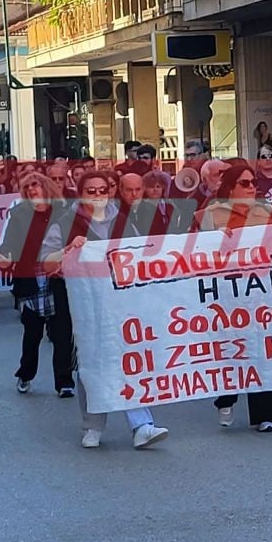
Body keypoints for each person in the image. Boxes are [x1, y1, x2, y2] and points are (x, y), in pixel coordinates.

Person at [42, 171, 169, 449]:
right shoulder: (65, 222)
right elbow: (46, 263)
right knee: (91, 363)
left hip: (119, 303)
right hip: (81, 306)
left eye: (102, 190)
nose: (98, 195)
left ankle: (141, 424)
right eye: (92, 190)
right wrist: (68, 250)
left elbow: (138, 255)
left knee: (128, 359)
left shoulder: (122, 221)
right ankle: (93, 425)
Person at [198, 165, 272, 432]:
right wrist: (212, 239)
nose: (251, 187)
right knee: (233, 349)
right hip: (228, 292)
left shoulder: (268, 212)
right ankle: (226, 397)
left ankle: (265, 415)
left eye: (253, 183)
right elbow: (197, 249)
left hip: (262, 291)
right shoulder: (212, 214)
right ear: (232, 187)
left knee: (264, 350)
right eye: (244, 183)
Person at [0, 172, 75, 397]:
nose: (32, 190)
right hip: (30, 277)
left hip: (58, 277)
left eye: (35, 185)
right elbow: (9, 243)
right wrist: (4, 256)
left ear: (45, 187)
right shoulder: (19, 214)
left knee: (62, 331)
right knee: (33, 332)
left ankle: (64, 382)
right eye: (27, 187)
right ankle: (25, 373)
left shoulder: (63, 211)